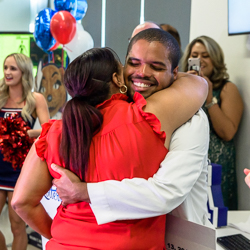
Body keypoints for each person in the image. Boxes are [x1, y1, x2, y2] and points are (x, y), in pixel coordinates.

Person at [11, 29, 208, 249]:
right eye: (133, 63)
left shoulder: (53, 132)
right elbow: (198, 84)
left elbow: (21, 202)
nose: (142, 72)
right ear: (118, 76)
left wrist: (64, 234)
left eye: (156, 66)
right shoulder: (147, 117)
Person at [181, 35, 244, 210]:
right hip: (191, 165)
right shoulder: (182, 86)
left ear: (215, 59)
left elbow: (228, 133)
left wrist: (209, 99)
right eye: (195, 54)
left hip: (218, 169)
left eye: (205, 55)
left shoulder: (226, 88)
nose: (200, 60)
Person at [0, 53, 49, 250]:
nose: (8, 73)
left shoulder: (35, 99)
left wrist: (25, 133)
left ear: (24, 71)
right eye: (5, 68)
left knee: (17, 225)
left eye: (13, 68)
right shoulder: (0, 97)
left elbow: (49, 129)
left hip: (19, 169)